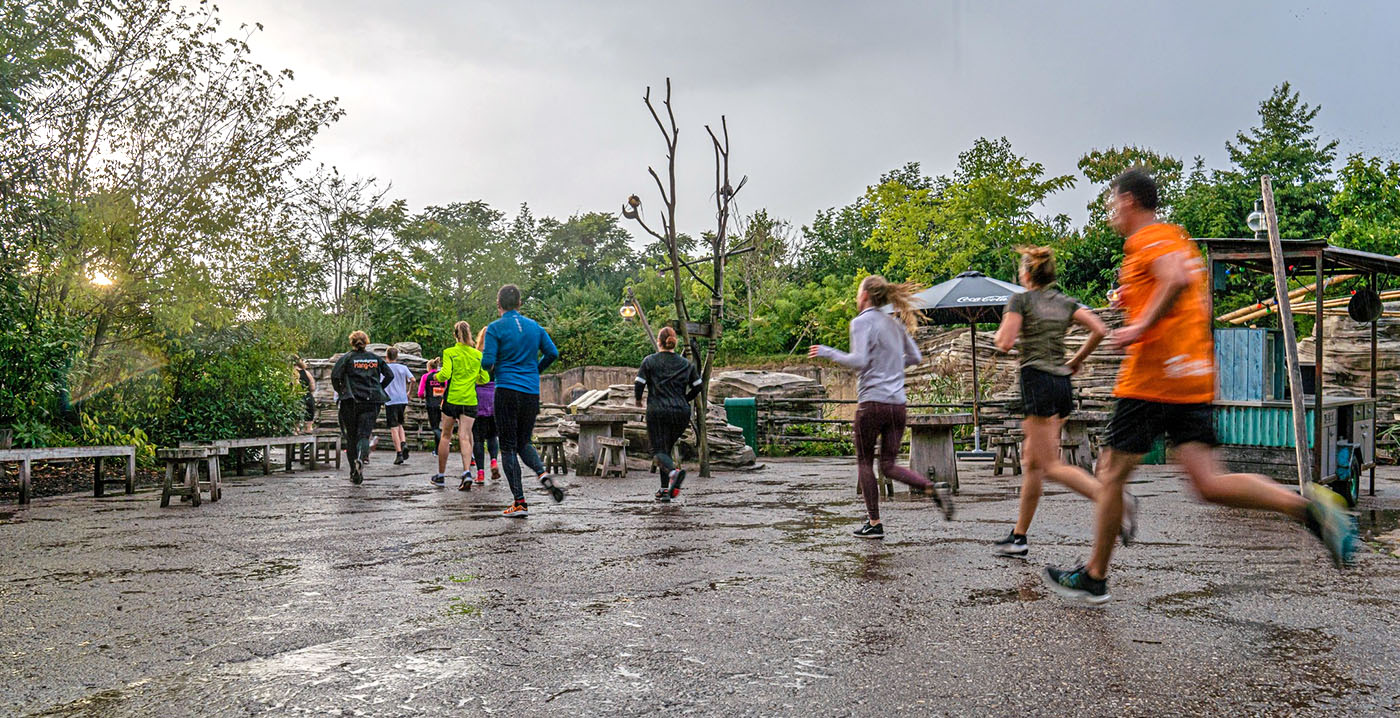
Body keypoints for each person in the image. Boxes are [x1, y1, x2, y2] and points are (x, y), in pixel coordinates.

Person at [1042, 168, 1358, 605]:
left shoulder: (1148, 239)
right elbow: (1192, 295)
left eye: (1114, 204)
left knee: (1111, 473)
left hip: (1153, 378)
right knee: (1209, 482)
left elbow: (1175, 279)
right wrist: (1137, 305)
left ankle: (1095, 576)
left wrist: (1141, 328)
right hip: (1191, 376)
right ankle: (1309, 509)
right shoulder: (1177, 238)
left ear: (1129, 201)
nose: (1112, 213)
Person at [990, 246, 1123, 557]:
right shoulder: (1065, 302)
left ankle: (1113, 500)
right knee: (1033, 464)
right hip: (1062, 384)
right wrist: (1076, 359)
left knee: (1048, 465)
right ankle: (1019, 536)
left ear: (1025, 274)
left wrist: (1000, 339)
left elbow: (1006, 341)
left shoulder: (1020, 300)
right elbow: (1099, 329)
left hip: (1036, 382)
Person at [808, 275, 952, 538]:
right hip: (897, 405)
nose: (856, 295)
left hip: (872, 403)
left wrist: (828, 352)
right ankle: (930, 487)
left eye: (858, 291)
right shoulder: (896, 324)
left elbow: (860, 360)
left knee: (865, 462)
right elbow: (916, 357)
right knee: (888, 464)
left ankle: (874, 523)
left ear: (865, 296)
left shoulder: (861, 322)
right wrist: (892, 367)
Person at [482, 284, 564, 517]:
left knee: (507, 447)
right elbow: (553, 353)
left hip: (506, 390)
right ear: (520, 303)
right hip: (530, 392)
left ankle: (519, 502)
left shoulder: (495, 329)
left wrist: (494, 368)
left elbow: (487, 363)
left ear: (499, 305)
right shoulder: (535, 327)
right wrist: (535, 370)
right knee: (524, 442)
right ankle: (542, 474)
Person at [634, 326, 702, 502]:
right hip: (681, 413)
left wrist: (638, 400)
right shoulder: (686, 364)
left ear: (659, 341)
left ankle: (674, 473)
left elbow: (639, 383)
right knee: (666, 450)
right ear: (674, 342)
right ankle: (665, 490)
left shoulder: (649, 361)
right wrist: (685, 399)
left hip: (658, 411)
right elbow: (698, 386)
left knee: (658, 451)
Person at [330, 330, 393, 485]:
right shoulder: (375, 359)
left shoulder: (346, 358)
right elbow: (389, 375)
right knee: (364, 435)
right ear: (366, 342)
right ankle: (360, 458)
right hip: (371, 401)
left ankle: (353, 471)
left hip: (350, 401)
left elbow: (334, 376)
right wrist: (379, 387)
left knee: (351, 437)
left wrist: (341, 390)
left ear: (352, 342)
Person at [433, 321, 490, 490]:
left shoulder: (449, 352)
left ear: (454, 335)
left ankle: (441, 476)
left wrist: (436, 377)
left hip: (452, 399)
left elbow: (445, 375)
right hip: (470, 400)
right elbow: (485, 378)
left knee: (445, 436)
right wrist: (472, 378)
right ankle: (466, 472)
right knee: (465, 436)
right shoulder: (477, 355)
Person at [472, 328, 501, 485]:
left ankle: (480, 473)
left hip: (477, 398)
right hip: (494, 397)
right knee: (492, 435)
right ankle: (494, 461)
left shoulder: (475, 355)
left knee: (477, 438)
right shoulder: (497, 356)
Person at [383, 346, 415, 465]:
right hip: (402, 399)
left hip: (390, 400)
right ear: (396, 356)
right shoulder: (403, 368)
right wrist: (409, 393)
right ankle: (403, 443)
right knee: (400, 423)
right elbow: (413, 380)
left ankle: (399, 453)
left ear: (387, 357)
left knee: (393, 427)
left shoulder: (385, 368)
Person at [418, 357, 446, 455]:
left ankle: (445, 441)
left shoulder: (426, 377)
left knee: (434, 427)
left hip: (431, 403)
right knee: (438, 426)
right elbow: (445, 388)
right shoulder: (441, 376)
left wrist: (423, 396)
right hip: (441, 403)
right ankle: (437, 450)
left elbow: (420, 392)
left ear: (429, 367)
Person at [294, 357, 316, 434]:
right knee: (308, 426)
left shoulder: (290, 372)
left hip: (296, 397)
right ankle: (308, 430)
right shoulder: (306, 372)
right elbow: (312, 387)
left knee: (295, 426)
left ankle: (295, 431)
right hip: (308, 397)